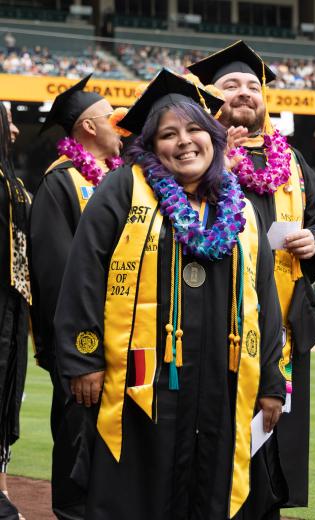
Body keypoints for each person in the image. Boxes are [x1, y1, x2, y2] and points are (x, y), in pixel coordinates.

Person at [54, 68, 285, 520]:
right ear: (151, 146)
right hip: (143, 381)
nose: (184, 142)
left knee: (211, 490)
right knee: (140, 493)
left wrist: (272, 383)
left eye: (196, 129)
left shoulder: (238, 206)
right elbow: (84, 273)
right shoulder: (123, 189)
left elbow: (264, 299)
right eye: (169, 134)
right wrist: (84, 358)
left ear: (214, 138)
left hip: (222, 380)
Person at [189, 41, 315, 512]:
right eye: (231, 85)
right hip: (218, 323)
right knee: (218, 449)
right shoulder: (194, 157)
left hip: (284, 324)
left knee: (272, 451)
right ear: (210, 97)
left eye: (254, 86)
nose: (245, 93)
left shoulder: (290, 161)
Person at [28, 74, 123, 520]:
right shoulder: (62, 184)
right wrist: (80, 357)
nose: (120, 126)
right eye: (111, 118)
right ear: (88, 127)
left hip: (126, 345)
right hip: (85, 354)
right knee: (80, 455)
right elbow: (58, 278)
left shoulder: (123, 182)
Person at [0, 102, 30, 520]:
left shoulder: (13, 182)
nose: (16, 129)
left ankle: (2, 490)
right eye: (7, 119)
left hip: (12, 303)